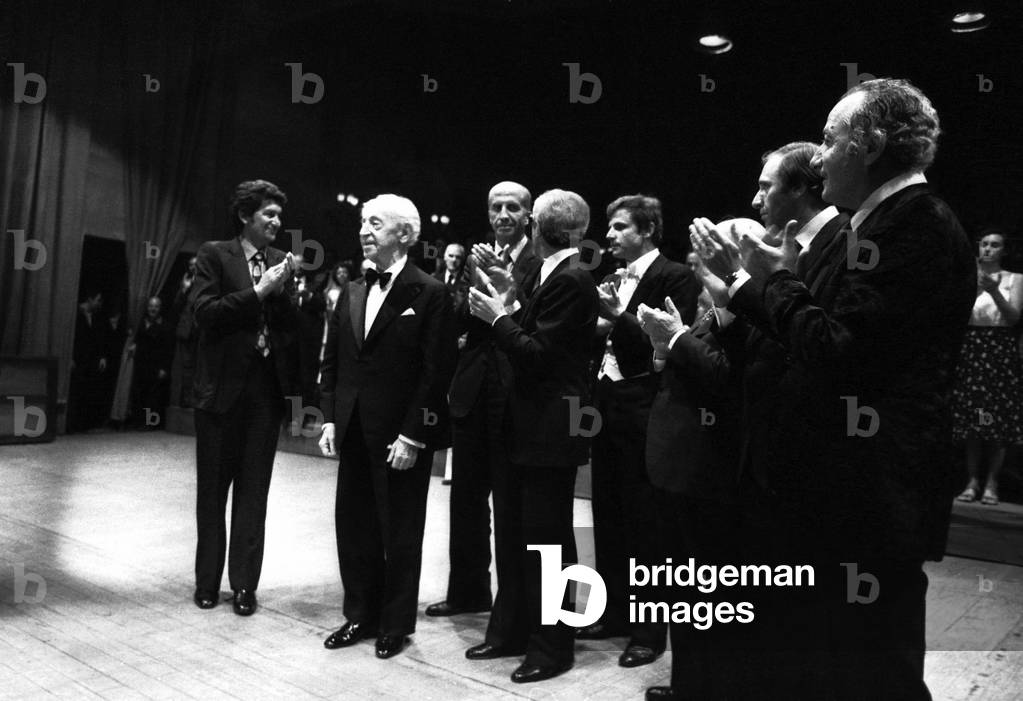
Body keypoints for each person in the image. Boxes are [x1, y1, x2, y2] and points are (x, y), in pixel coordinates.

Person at [694, 78, 975, 699]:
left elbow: (836, 349)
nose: (819, 157)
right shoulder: (880, 222)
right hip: (845, 491)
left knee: (872, 669)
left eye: (829, 138)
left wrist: (762, 282)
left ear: (869, 145)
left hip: (874, 494)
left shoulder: (916, 225)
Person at [468, 188, 599, 684]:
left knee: (549, 542)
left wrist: (497, 317)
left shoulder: (574, 278)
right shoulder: (553, 273)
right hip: (528, 425)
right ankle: (515, 630)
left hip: (550, 428)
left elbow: (539, 354)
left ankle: (554, 646)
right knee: (523, 537)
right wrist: (511, 299)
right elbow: (537, 331)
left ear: (538, 226)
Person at [318, 194, 455, 660]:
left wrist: (414, 435)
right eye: (362, 222)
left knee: (399, 531)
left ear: (405, 234)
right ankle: (359, 614)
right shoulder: (353, 290)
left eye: (375, 223)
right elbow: (334, 361)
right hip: (354, 428)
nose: (363, 231)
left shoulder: (430, 292)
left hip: (400, 435)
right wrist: (330, 418)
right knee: (353, 526)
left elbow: (436, 373)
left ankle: (394, 624)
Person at [638, 219, 761, 701]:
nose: (699, 269)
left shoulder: (753, 318)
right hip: (680, 468)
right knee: (686, 593)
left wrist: (677, 339)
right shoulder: (710, 314)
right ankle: (689, 683)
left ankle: (708, 686)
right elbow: (682, 374)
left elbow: (726, 382)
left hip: (709, 474)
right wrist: (662, 348)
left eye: (708, 257)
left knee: (709, 596)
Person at [583, 194, 699, 668]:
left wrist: (617, 316)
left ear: (647, 230)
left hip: (647, 407)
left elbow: (667, 343)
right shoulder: (614, 277)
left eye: (620, 227)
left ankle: (649, 632)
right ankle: (612, 613)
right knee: (607, 512)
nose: (609, 235)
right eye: (610, 227)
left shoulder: (676, 276)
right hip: (607, 405)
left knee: (648, 522)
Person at [427, 182, 541, 624]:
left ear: (529, 215)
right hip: (472, 390)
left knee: (510, 505)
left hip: (516, 393)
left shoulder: (539, 261)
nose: (504, 214)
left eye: (513, 207)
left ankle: (510, 608)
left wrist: (507, 293)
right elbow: (457, 320)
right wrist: (473, 284)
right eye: (496, 207)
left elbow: (534, 325)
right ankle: (467, 592)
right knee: (466, 501)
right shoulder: (475, 259)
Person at [191, 179, 298, 616]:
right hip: (220, 395)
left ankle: (244, 587)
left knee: (254, 497)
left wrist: (285, 292)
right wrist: (258, 292)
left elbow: (290, 329)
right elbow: (205, 313)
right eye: (268, 214)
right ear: (244, 216)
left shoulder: (281, 262)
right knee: (212, 494)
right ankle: (207, 583)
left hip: (265, 395)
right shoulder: (214, 254)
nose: (277, 222)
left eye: (279, 215)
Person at [952, 229, 1023, 505]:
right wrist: (976, 287)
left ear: (1004, 250)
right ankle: (972, 480)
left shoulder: (1014, 279)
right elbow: (957, 313)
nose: (988, 249)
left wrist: (994, 291)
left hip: (999, 348)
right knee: (975, 419)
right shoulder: (970, 277)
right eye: (984, 244)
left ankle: (992, 482)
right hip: (973, 346)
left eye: (995, 245)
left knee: (996, 420)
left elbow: (1013, 317)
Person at [131, 296, 174, 428]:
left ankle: (151, 423)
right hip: (141, 365)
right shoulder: (141, 323)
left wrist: (164, 368)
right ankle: (139, 422)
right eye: (151, 306)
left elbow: (168, 349)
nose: (153, 309)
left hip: (156, 365)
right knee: (140, 394)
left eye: (156, 306)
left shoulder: (165, 326)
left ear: (160, 308)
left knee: (153, 397)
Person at [67, 289, 107, 433]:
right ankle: (71, 424)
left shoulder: (96, 316)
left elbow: (99, 338)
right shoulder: (75, 313)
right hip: (78, 358)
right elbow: (70, 337)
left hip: (91, 360)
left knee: (87, 391)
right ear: (90, 299)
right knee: (75, 391)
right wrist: (70, 357)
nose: (100, 304)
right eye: (98, 300)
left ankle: (84, 424)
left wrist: (102, 356)